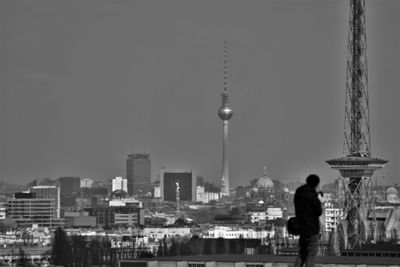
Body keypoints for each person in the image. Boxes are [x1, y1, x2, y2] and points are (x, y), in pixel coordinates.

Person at [294, 174, 323, 267]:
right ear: (316, 184)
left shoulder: (299, 192)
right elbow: (318, 212)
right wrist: (320, 200)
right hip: (312, 228)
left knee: (302, 253)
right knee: (311, 255)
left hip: (301, 227)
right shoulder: (312, 194)